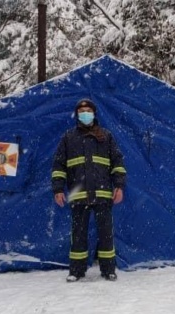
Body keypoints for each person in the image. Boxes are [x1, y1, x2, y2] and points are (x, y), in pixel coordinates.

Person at [52, 98, 126, 282]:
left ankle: (108, 269)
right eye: (81, 111)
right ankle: (76, 271)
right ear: (77, 115)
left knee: (106, 234)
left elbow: (117, 163)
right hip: (78, 194)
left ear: (94, 113)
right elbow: (59, 166)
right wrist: (58, 189)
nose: (85, 114)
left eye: (88, 110)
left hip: (102, 194)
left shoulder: (106, 136)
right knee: (78, 235)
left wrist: (119, 186)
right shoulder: (68, 137)